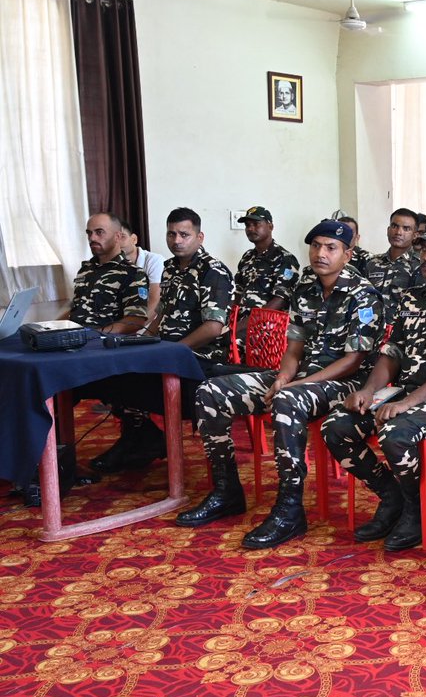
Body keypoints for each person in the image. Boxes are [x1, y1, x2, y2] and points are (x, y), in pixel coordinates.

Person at [177, 220, 383, 548]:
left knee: (287, 403)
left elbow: (353, 360)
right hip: (300, 379)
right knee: (210, 391)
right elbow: (295, 347)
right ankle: (226, 490)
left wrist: (297, 387)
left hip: (344, 383)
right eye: (316, 246)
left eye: (331, 247)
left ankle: (289, 510)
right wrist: (285, 377)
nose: (321, 253)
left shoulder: (364, 294)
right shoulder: (305, 285)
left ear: (347, 254)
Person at [321, 221, 426, 551]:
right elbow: (391, 353)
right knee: (336, 426)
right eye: (423, 248)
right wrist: (370, 390)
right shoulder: (411, 298)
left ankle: (417, 512)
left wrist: (406, 403)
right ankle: (393, 497)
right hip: (405, 392)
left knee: (395, 432)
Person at [88, 207, 234, 473]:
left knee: (133, 381)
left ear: (199, 237)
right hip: (166, 351)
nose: (176, 240)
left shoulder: (213, 271)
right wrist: (143, 341)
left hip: (198, 358)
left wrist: (174, 351)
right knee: (115, 370)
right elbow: (160, 316)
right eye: (171, 234)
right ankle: (139, 437)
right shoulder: (168, 270)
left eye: (184, 234)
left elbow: (213, 327)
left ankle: (143, 441)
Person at [67, 213, 149, 334]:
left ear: (117, 236)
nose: (92, 238)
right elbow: (76, 310)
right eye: (89, 233)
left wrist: (94, 335)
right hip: (75, 339)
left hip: (106, 344)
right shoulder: (85, 270)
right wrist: (51, 327)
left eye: (99, 232)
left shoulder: (133, 273)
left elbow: (136, 320)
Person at [233, 206, 299, 313]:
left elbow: (281, 299)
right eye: (247, 225)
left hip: (269, 325)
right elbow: (238, 292)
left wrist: (248, 323)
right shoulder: (247, 257)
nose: (250, 228)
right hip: (241, 323)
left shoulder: (285, 258)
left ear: (270, 226)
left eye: (256, 224)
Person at [365, 207, 423, 315]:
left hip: (402, 329)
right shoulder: (372, 263)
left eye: (406, 229)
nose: (398, 232)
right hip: (372, 327)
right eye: (394, 226)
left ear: (415, 235)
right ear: (388, 230)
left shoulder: (420, 266)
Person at [117, 217, 165, 317]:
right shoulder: (113, 264)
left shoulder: (154, 260)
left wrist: (132, 330)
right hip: (119, 324)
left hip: (145, 325)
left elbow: (155, 301)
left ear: (134, 239)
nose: (118, 243)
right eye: (114, 239)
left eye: (122, 237)